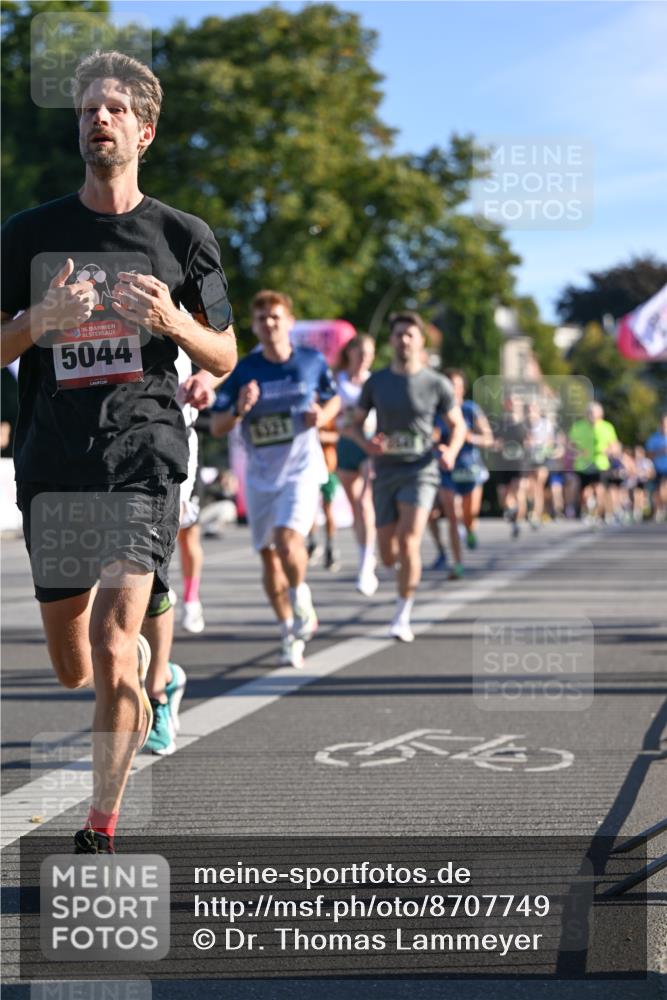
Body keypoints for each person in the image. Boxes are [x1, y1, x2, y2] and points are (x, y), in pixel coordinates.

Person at [0, 51, 237, 852]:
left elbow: (224, 354)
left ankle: (100, 825)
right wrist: (41, 320)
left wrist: (172, 323)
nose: (97, 119)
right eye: (86, 110)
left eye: (113, 109)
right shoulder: (28, 234)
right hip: (53, 464)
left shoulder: (183, 237)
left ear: (145, 130)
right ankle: (144, 654)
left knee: (109, 648)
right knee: (75, 667)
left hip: (143, 457)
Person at [211, 290, 339, 668]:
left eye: (276, 317)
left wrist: (322, 415)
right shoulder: (244, 370)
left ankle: (301, 601)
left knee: (287, 540)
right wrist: (240, 408)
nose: (269, 324)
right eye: (262, 318)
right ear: (254, 326)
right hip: (260, 474)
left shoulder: (311, 361)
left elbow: (333, 399)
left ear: (290, 322)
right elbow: (218, 426)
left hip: (301, 468)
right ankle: (288, 632)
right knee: (268, 556)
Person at [349, 311, 465, 642]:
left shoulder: (437, 383)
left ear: (420, 341)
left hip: (421, 470)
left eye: (410, 335)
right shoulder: (377, 382)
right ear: (391, 340)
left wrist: (451, 450)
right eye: (399, 334)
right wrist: (366, 444)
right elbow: (353, 425)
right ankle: (387, 569)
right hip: (385, 470)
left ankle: (402, 614)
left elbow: (458, 425)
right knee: (389, 552)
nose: (404, 340)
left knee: (409, 540)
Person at [436, 368, 493, 579]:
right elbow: (432, 436)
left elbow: (488, 438)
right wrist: (436, 445)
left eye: (457, 386)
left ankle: (469, 530)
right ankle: (457, 564)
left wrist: (472, 438)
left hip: (470, 469)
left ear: (462, 389)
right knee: (452, 516)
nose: (453, 390)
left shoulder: (471, 409)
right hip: (447, 469)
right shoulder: (437, 412)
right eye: (449, 385)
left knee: (470, 514)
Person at [334, 334, 378, 595]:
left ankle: (366, 564)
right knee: (355, 507)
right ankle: (365, 551)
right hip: (345, 444)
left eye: (369, 354)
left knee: (364, 502)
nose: (364, 359)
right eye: (361, 353)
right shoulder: (337, 380)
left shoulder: (374, 382)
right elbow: (330, 410)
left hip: (369, 445)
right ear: (350, 352)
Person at [568, 402, 619, 524]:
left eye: (594, 413)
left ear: (600, 414)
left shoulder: (607, 427)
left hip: (600, 464)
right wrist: (578, 451)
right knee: (585, 493)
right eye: (589, 413)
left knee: (599, 489)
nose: (592, 416)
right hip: (582, 465)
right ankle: (587, 511)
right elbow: (570, 445)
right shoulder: (578, 426)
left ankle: (598, 514)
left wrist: (609, 450)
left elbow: (615, 447)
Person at [494, 395, 529, 538]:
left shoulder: (525, 423)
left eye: (515, 402)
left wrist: (530, 443)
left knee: (518, 492)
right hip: (503, 463)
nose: (512, 405)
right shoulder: (499, 423)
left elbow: (530, 441)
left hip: (519, 463)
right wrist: (496, 445)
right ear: (505, 404)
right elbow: (494, 440)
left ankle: (517, 523)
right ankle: (512, 512)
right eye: (509, 402)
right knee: (503, 496)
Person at [645, 412, 667, 522]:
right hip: (658, 468)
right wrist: (660, 452)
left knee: (664, 489)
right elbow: (648, 454)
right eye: (663, 424)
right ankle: (660, 509)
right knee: (658, 492)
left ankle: (662, 509)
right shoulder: (654, 438)